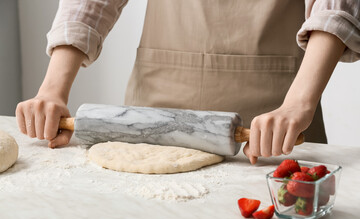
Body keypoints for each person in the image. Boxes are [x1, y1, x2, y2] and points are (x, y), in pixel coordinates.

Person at [16, 0, 359, 164]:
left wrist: (298, 103)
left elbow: (335, 8)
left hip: (275, 124)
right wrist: (52, 88)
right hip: (151, 122)